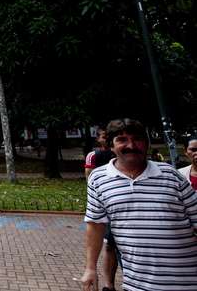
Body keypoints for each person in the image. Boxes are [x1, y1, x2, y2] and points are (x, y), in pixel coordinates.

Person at [81, 119, 197, 291]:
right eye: (122, 140)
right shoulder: (98, 179)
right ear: (111, 146)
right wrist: (90, 268)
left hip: (186, 282)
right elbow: (95, 225)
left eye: (137, 139)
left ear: (146, 144)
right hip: (136, 284)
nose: (131, 145)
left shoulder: (171, 175)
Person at [83, 126, 118, 291]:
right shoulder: (94, 155)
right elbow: (88, 176)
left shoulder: (117, 153)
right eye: (104, 136)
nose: (107, 138)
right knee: (110, 244)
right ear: (98, 139)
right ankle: (109, 285)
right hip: (104, 203)